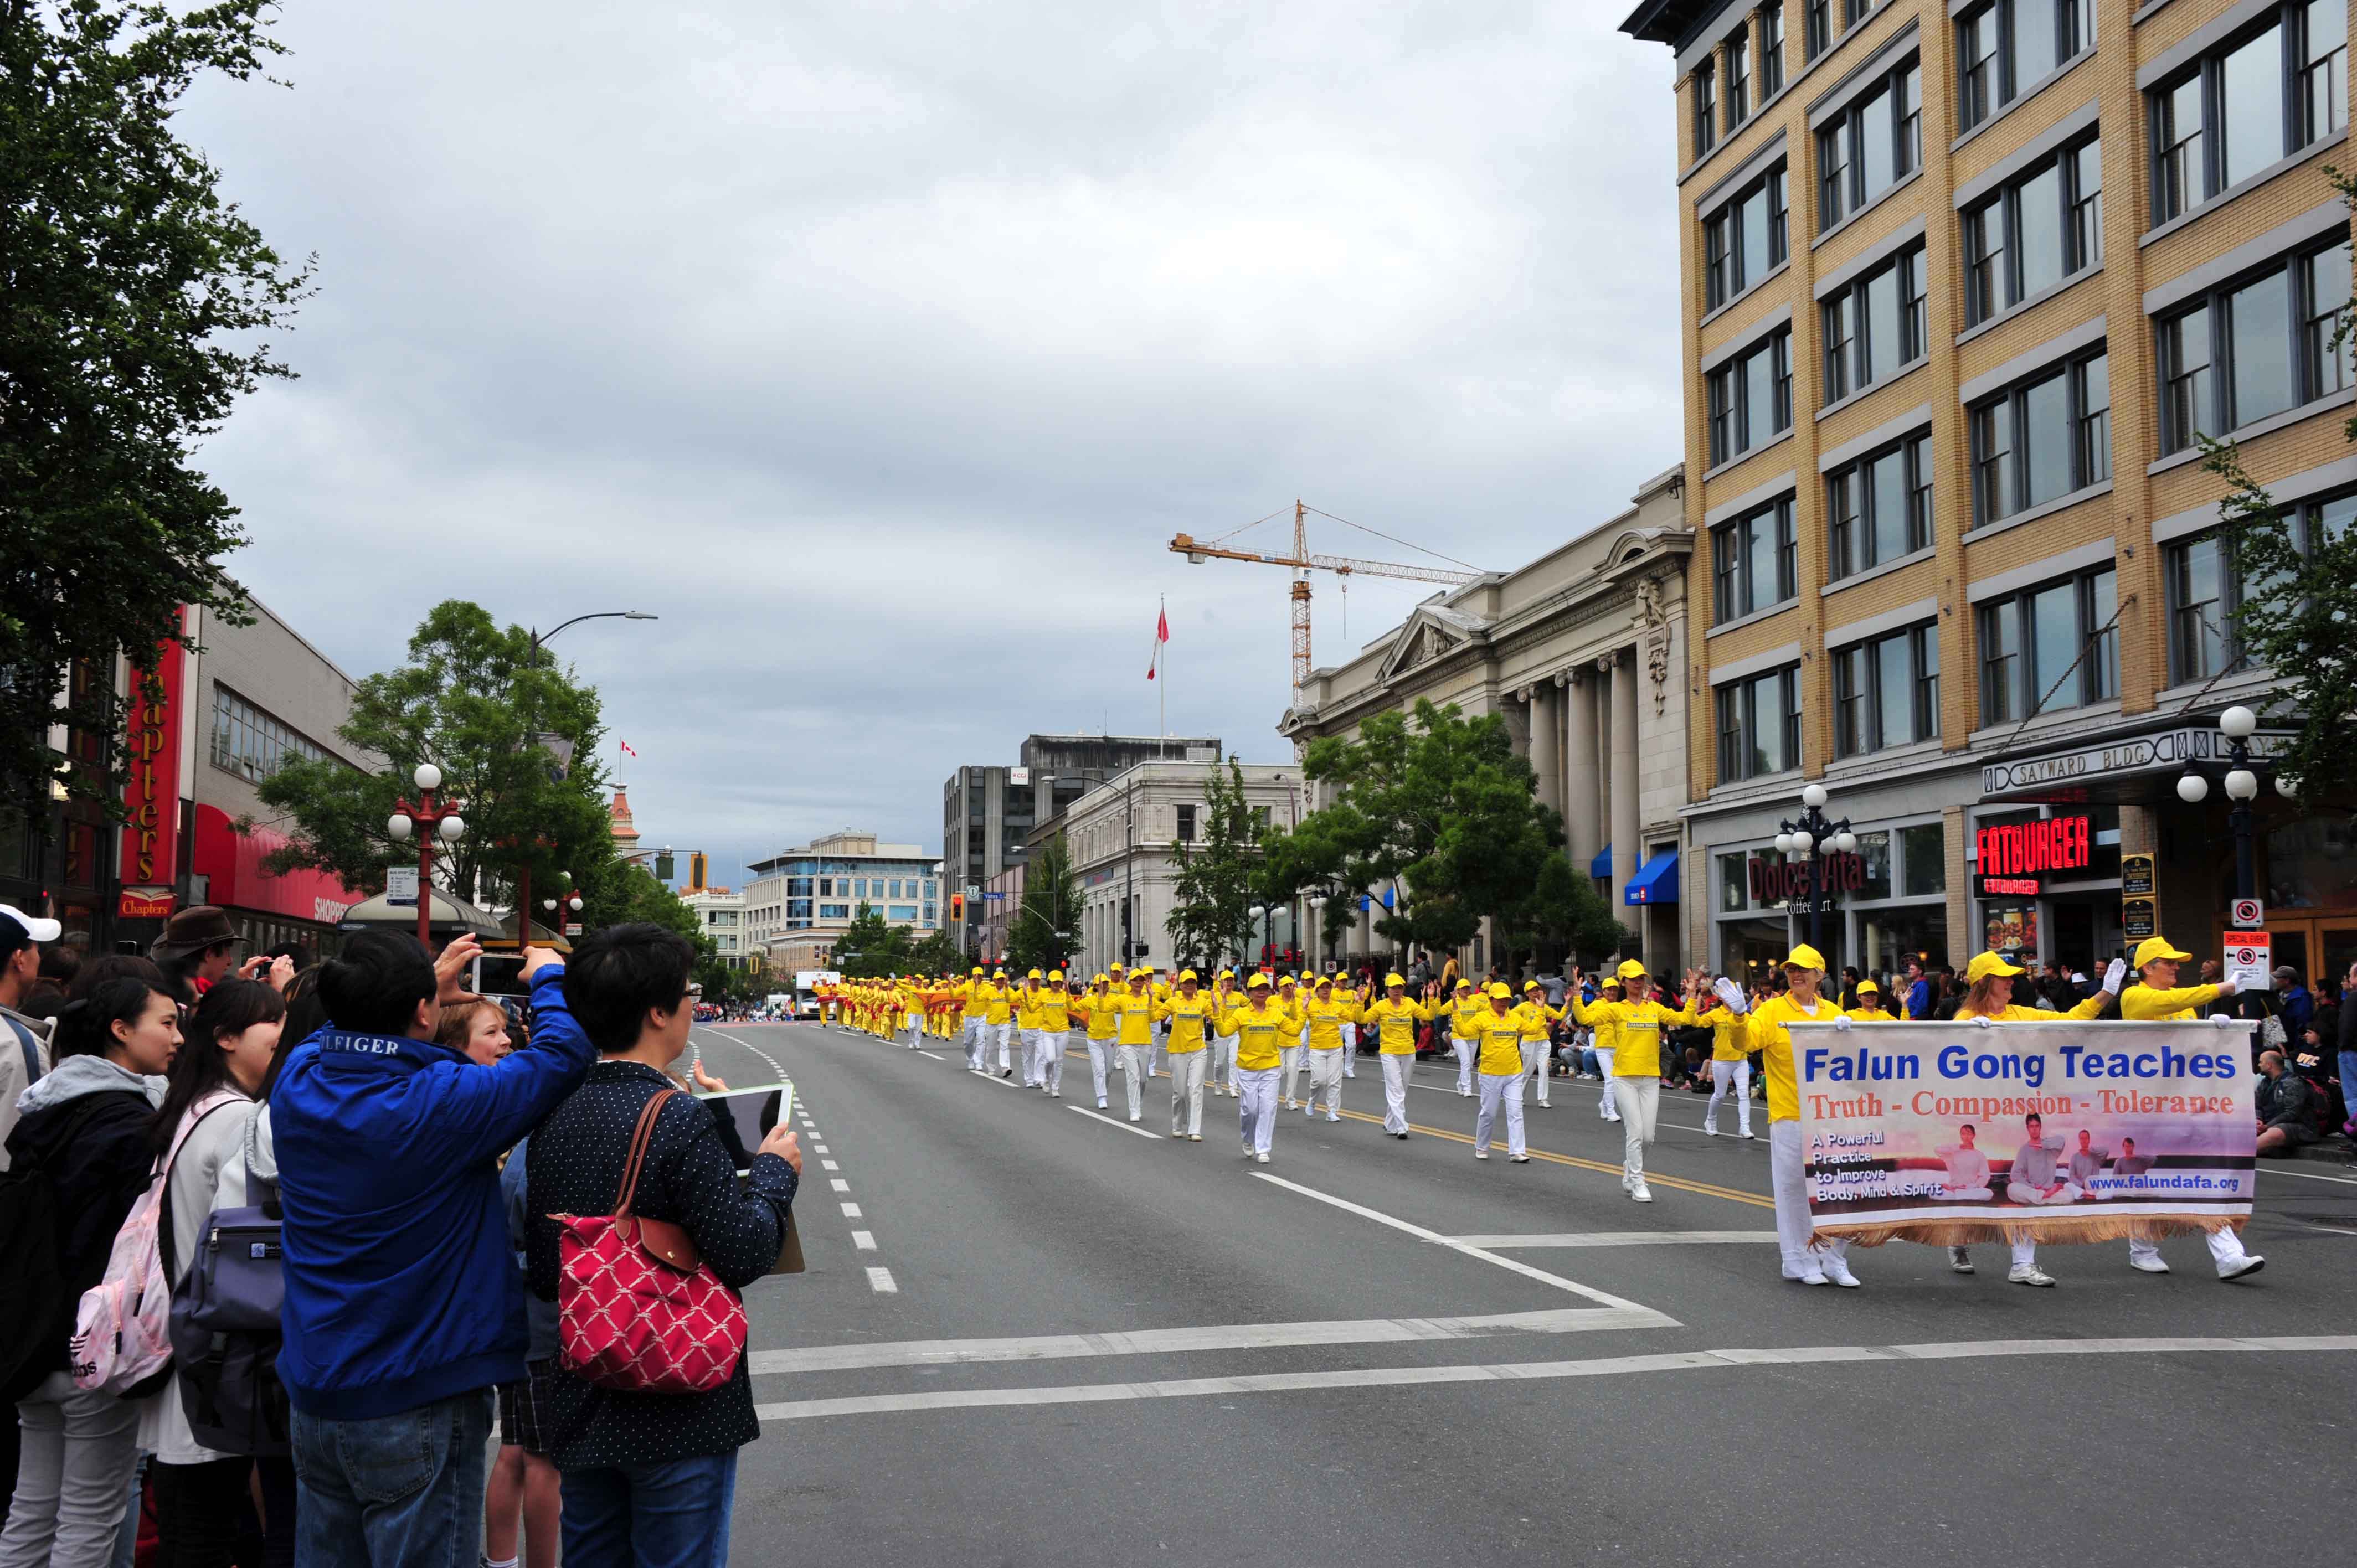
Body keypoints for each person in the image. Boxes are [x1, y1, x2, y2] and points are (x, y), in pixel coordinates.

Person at [270, 931, 591, 1567]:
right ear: (422, 1013)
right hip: (418, 1391)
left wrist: (419, 993)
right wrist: (550, 977)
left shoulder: (298, 1082)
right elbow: (564, 1053)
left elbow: (324, 1032)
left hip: (316, 1390)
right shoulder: (441, 1101)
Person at [526, 923, 799, 1568]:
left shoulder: (554, 1111)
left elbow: (543, 1267)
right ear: (656, 1012)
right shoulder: (677, 1117)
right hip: (678, 1399)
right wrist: (773, 1174)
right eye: (686, 995)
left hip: (586, 1389)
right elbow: (744, 1251)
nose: (689, 1007)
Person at [0, 977, 178, 1568]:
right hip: (97, 1343)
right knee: (90, 1513)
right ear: (120, 1031)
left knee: (32, 1506)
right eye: (167, 1023)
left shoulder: (43, 1112)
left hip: (28, 1338)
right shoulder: (134, 1126)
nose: (178, 1037)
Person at [137, 979, 284, 1567]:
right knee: (204, 1528)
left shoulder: (194, 1106)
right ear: (226, 1038)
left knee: (191, 1523)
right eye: (271, 1022)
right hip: (221, 1352)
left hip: (187, 1339)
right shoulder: (239, 1118)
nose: (282, 1035)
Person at [1941, 950, 2120, 1286]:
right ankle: (1959, 1241)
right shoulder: (1965, 1018)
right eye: (2003, 977)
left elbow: (2069, 1020)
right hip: (1982, 1115)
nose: (2011, 982)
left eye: (2011, 977)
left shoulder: (2020, 1013)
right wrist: (1968, 1034)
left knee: (2026, 1185)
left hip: (2018, 1111)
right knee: (1975, 1188)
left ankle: (2023, 1264)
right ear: (1984, 983)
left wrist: (2105, 993)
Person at [2116, 936, 2266, 1280]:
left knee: (2204, 1176)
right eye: (2168, 962)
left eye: (2176, 962)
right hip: (2145, 1105)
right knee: (2148, 1180)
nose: (2175, 968)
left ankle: (2229, 1256)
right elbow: (2174, 1000)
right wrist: (2221, 990)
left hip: (2184, 1103)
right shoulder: (2133, 997)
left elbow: (2192, 1045)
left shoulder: (2184, 1005)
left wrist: (2216, 1033)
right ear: (2147, 968)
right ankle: (2142, 1250)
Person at [1713, 946, 1857, 1286]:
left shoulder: (1835, 1012)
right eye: (1792, 969)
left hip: (1832, 1116)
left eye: (1804, 970)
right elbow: (1746, 1042)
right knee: (1795, 1191)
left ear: (1820, 975)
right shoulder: (1772, 1010)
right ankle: (1800, 1260)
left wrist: (1855, 1035)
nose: (1797, 975)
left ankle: (1834, 1259)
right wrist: (1739, 1015)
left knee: (1842, 1189)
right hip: (1790, 1114)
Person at [1567, 961, 1702, 1203]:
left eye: (1641, 978)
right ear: (1623, 982)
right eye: (1633, 979)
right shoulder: (1616, 1010)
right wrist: (1577, 996)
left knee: (1648, 1136)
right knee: (1636, 1132)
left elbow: (1685, 1018)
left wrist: (1691, 995)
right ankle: (1638, 1181)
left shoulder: (1653, 1008)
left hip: (1650, 1078)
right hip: (1624, 1078)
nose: (1638, 982)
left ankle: (1630, 1168)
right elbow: (1585, 1017)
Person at [0, 904, 63, 1172]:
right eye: (36, 948)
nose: (39, 956)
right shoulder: (18, 1045)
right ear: (19, 959)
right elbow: (17, 1155)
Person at [1222, 976, 1290, 1163]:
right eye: (1257, 989)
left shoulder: (1276, 1013)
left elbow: (1293, 1030)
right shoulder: (1241, 1013)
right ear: (1249, 992)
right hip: (1248, 1068)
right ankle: (1248, 1138)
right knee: (1250, 1109)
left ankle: (1263, 1149)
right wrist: (1220, 1007)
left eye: (1265, 988)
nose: (1261, 992)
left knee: (1268, 1108)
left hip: (1271, 1067)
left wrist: (1301, 1008)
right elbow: (1223, 1031)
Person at [1360, 976, 1435, 1138]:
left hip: (1408, 1051)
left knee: (1401, 1090)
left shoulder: (1409, 1003)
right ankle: (1402, 1126)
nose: (1397, 991)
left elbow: (1429, 1016)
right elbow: (1361, 1018)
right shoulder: (1381, 1006)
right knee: (1396, 1089)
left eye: (1400, 987)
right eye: (1393, 988)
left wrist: (1431, 998)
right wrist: (1360, 1001)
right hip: (1389, 1052)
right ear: (1387, 990)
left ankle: (1389, 1123)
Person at [1467, 984, 1533, 1163]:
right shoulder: (1482, 1018)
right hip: (1491, 1073)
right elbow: (1465, 1031)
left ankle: (1517, 1152)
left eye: (1507, 999)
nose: (1504, 1002)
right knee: (1489, 1113)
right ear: (1491, 1000)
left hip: (1514, 1073)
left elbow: (1533, 1029)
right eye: (1500, 999)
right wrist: (1457, 1012)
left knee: (1516, 1112)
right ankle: (1482, 1147)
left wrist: (1541, 1010)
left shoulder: (1515, 1018)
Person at [147, 906, 244, 1009]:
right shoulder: (188, 999)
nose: (230, 961)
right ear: (209, 954)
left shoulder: (156, 991)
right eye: (227, 951)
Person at [1162, 971, 1217, 1140]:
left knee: (1196, 1089)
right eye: (1186, 983)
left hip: (1198, 1050)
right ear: (1181, 984)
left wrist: (1217, 1006)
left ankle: (1195, 1130)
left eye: (1192, 983)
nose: (1189, 985)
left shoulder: (1202, 1002)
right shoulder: (1173, 1002)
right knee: (1180, 1093)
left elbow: (1216, 1018)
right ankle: (1177, 1124)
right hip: (1178, 1050)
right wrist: (1151, 998)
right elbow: (1154, 1016)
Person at [1699, 978, 1752, 1139]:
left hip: (1741, 1059)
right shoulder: (1716, 1014)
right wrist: (1695, 997)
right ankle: (1711, 1120)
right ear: (1721, 997)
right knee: (1720, 1094)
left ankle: (1745, 1127)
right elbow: (1698, 1022)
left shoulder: (1744, 1015)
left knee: (1744, 1094)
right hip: (1722, 1060)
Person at [1299, 977, 1351, 1123]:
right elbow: (1299, 1021)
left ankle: (1332, 1111)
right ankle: (1312, 1100)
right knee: (1319, 1080)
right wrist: (1304, 1008)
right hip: (1317, 1048)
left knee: (1335, 1081)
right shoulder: (1311, 1005)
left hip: (1335, 1047)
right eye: (1322, 987)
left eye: (1328, 987)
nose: (1326, 990)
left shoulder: (1337, 1005)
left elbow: (1352, 1017)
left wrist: (1360, 1002)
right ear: (1317, 990)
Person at [2255, 1050, 2318, 1154]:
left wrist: (2267, 1126)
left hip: (2299, 1126)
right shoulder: (2265, 1082)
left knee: (2275, 1133)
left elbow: (2292, 1113)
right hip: (2268, 1124)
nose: (2259, 1065)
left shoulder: (2293, 1083)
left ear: (2269, 1065)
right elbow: (2258, 1106)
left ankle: (2244, 1153)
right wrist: (2258, 1119)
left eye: (2261, 1062)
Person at [1518, 979, 1560, 1109]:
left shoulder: (1543, 1006)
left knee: (1544, 1069)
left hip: (1543, 1040)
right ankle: (1519, 1097)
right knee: (1528, 1071)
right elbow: (1511, 1016)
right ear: (1527, 993)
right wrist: (1521, 1028)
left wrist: (1568, 1002)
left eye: (1536, 990)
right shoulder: (1523, 1007)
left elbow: (1559, 1015)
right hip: (1529, 1041)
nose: (1535, 993)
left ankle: (1543, 1099)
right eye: (1532, 991)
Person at [1933, 1126, 1993, 1199]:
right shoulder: (1954, 1152)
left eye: (1969, 1134)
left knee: (1988, 1193)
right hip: (1954, 1186)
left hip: (1970, 1189)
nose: (1966, 1137)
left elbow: (1986, 1176)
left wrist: (1972, 1186)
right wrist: (1958, 1147)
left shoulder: (1979, 1155)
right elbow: (1937, 1150)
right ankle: (1957, 1193)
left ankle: (1956, 1194)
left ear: (1974, 1136)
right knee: (1934, 1192)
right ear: (1961, 1136)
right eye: (1963, 1134)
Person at [1445, 978, 1481, 1098]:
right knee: (1465, 1062)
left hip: (1473, 1036)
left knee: (1469, 1064)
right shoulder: (1453, 1002)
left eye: (1467, 988)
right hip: (1459, 1036)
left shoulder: (1475, 1001)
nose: (1466, 990)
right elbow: (1440, 1011)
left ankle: (1460, 1083)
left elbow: (1487, 1009)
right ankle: (1467, 1088)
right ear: (1458, 990)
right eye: (1463, 988)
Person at [1207, 971, 1240, 1098]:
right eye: (1226, 980)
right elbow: (1213, 1013)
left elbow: (1250, 1006)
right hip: (1221, 1032)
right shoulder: (1216, 996)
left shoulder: (1239, 996)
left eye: (1231, 980)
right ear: (1222, 982)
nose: (1229, 982)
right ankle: (1218, 1084)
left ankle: (1233, 1088)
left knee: (1234, 1061)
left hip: (1234, 1033)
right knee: (1219, 1062)